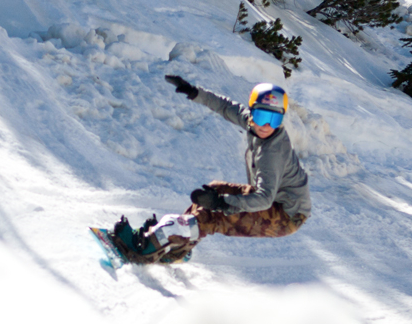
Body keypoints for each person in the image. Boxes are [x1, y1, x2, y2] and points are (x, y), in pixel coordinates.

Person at [110, 75, 311, 264]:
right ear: (252, 113)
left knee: (214, 214)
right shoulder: (253, 125)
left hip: (287, 215)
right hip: (278, 199)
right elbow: (225, 106)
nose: (266, 125)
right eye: (261, 116)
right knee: (214, 190)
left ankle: (143, 250)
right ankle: (177, 245)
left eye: (274, 119)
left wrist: (222, 203)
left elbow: (264, 199)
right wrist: (194, 92)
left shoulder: (272, 152)